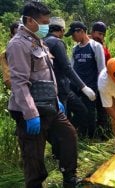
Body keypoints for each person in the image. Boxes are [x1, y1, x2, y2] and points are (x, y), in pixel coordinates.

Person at [6, 2, 79, 187]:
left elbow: (47, 73)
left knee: (68, 136)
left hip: (50, 104)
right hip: (30, 110)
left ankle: (69, 177)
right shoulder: (17, 45)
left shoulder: (37, 40)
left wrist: (56, 99)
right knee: (34, 155)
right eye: (44, 22)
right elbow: (19, 82)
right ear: (30, 20)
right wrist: (31, 115)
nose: (47, 26)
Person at [44, 17, 96, 138]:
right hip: (61, 88)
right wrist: (83, 87)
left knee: (74, 113)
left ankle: (72, 137)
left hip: (52, 87)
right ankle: (65, 143)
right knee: (70, 116)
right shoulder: (57, 42)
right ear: (61, 30)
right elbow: (67, 67)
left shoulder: (43, 41)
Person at [65, 21, 106, 138]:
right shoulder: (75, 49)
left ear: (81, 31)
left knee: (90, 113)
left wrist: (100, 88)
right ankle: (78, 134)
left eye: (73, 34)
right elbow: (71, 68)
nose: (72, 37)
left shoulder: (95, 46)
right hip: (77, 86)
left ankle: (90, 137)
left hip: (91, 86)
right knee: (78, 111)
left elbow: (102, 69)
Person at [90, 21, 111, 140]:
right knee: (91, 111)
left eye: (103, 35)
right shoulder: (87, 45)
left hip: (103, 84)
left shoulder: (103, 47)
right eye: (98, 33)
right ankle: (91, 136)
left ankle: (103, 136)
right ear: (92, 32)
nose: (101, 37)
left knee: (103, 111)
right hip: (90, 84)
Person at [0, 22, 19, 88]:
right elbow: (7, 80)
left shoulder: (30, 48)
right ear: (11, 35)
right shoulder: (5, 54)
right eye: (17, 34)